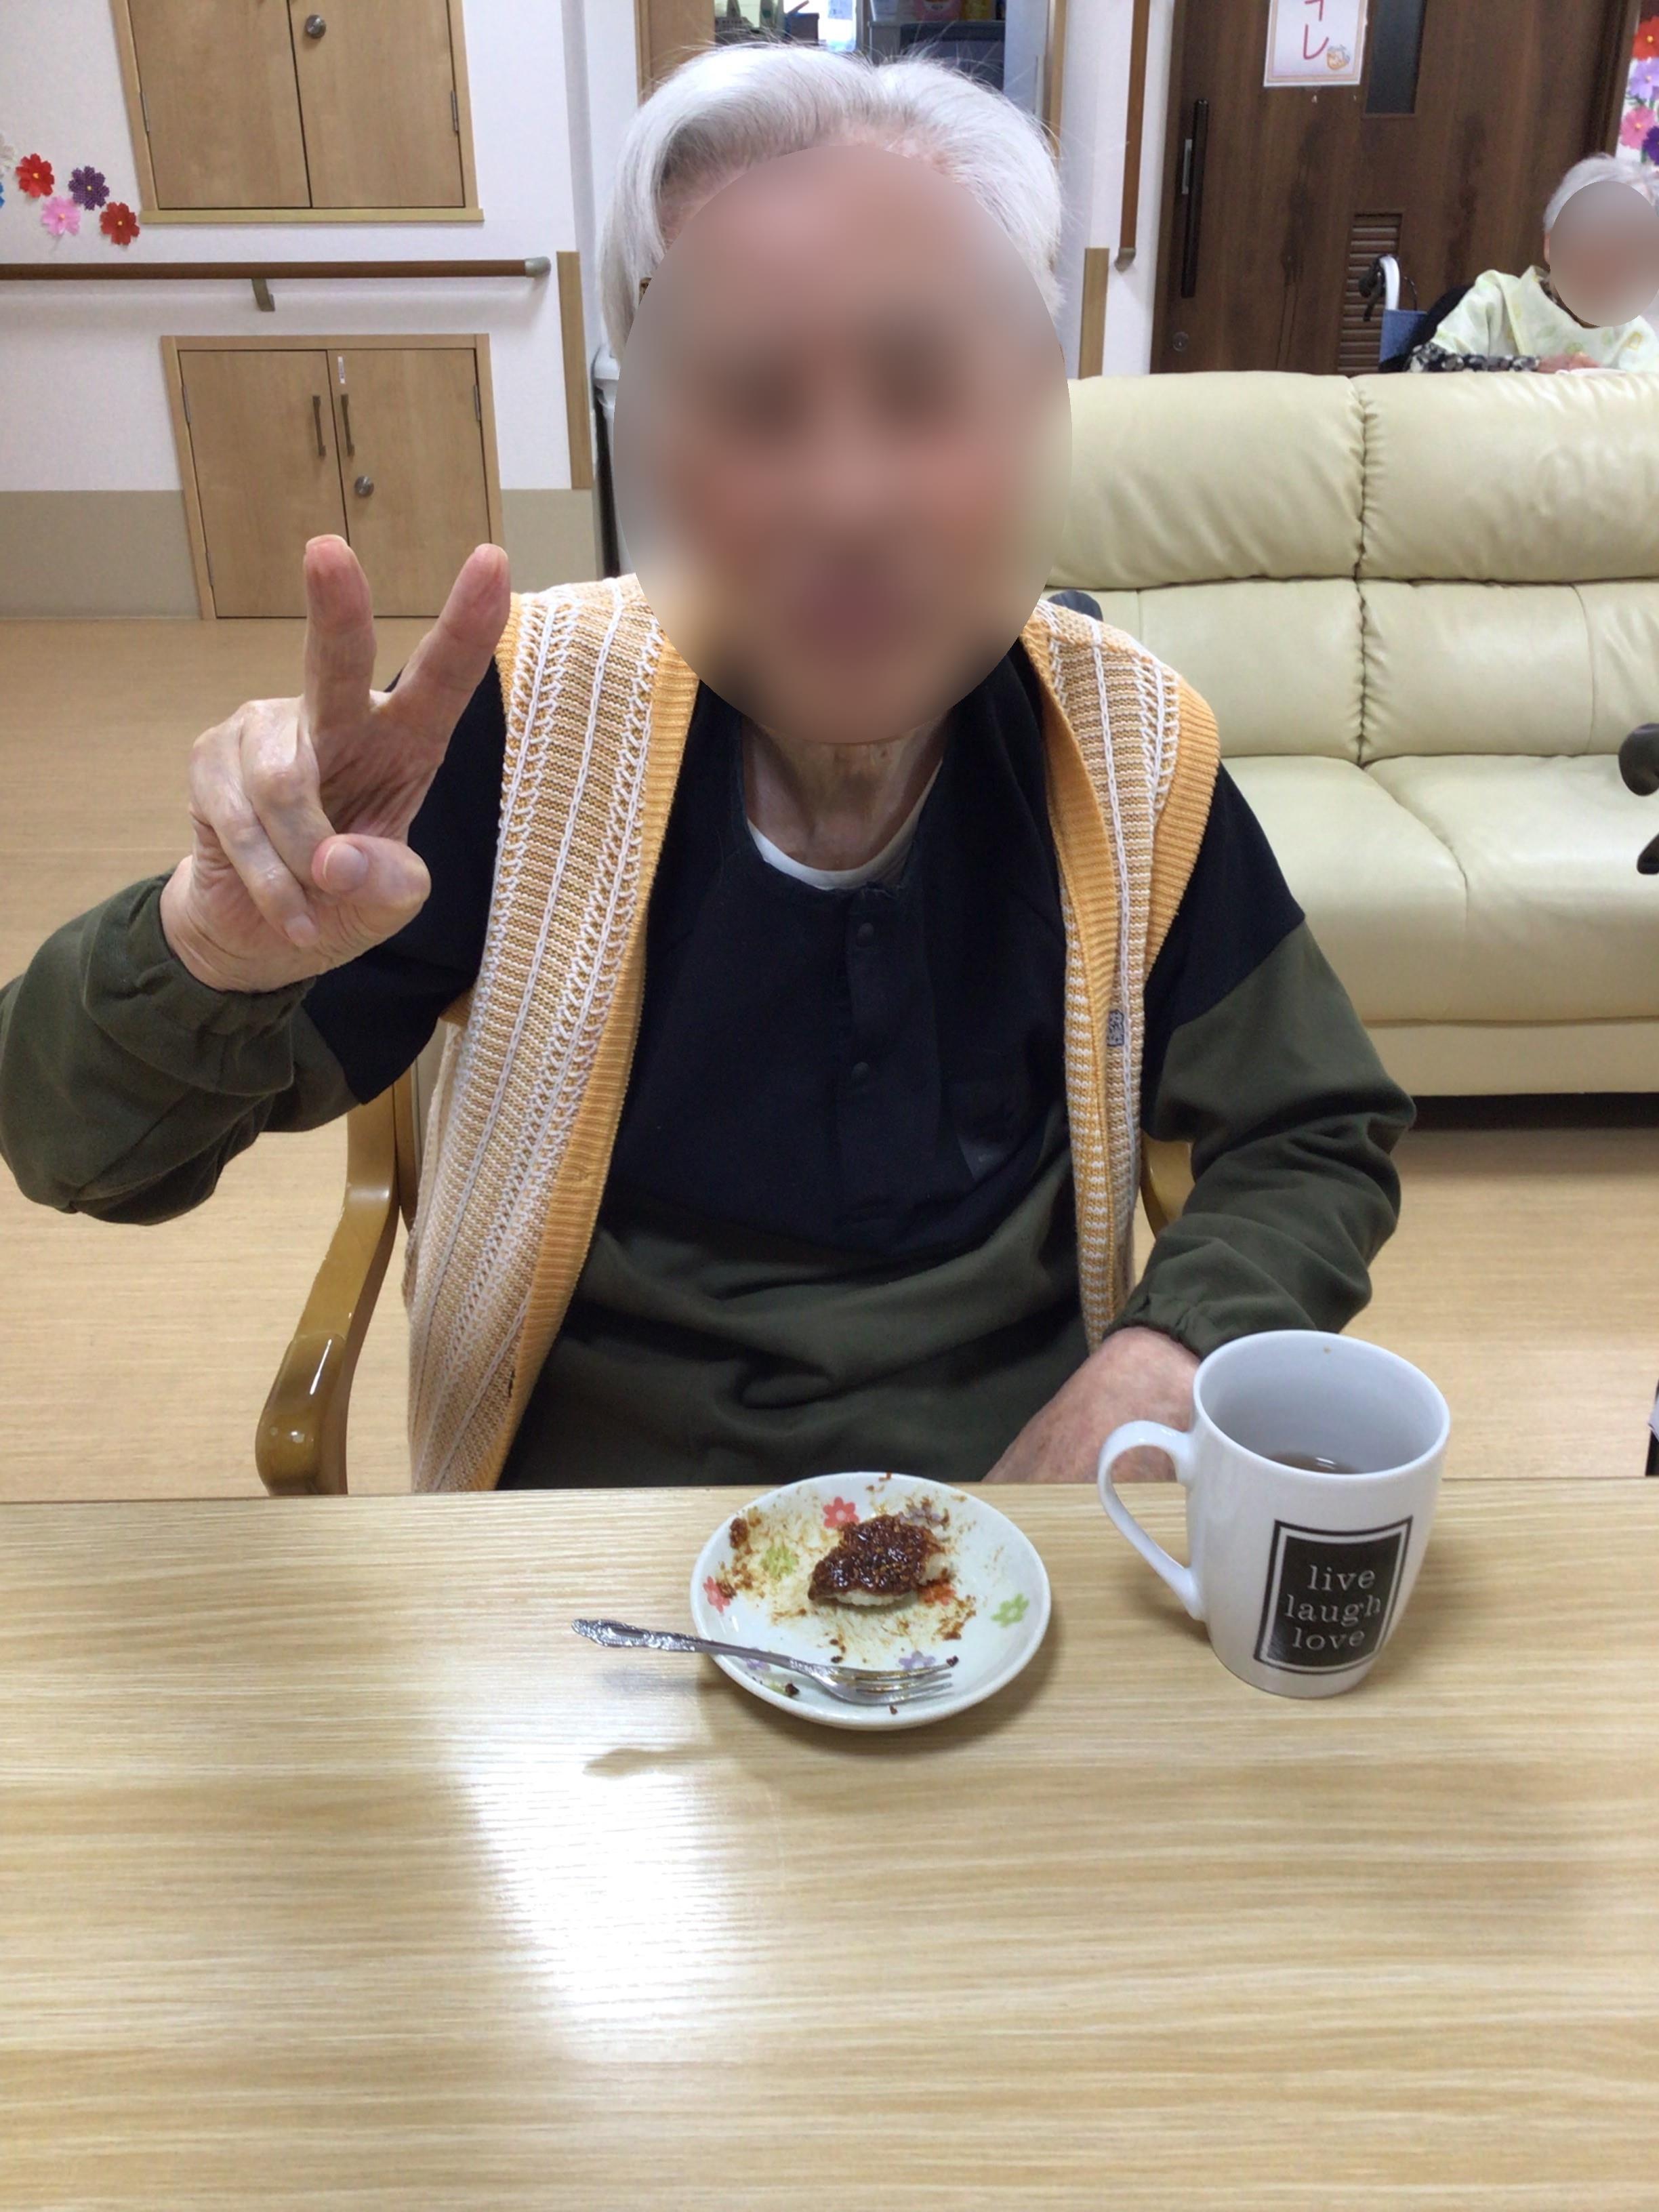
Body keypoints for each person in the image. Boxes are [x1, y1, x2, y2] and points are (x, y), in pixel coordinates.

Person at [0, 46, 1411, 1495]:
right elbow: (70, 1146)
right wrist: (205, 953)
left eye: (921, 389)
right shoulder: (525, 723)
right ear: (657, 435)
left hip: (1005, 1524)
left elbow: (1314, 1129)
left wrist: (1165, 1359)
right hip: (591, 1538)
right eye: (749, 400)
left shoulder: (1125, 744)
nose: (847, 498)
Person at [1410, 152, 1659, 373]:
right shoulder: (1494, 304)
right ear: (1551, 245)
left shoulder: (1638, 341)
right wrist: (1532, 368)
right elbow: (1421, 368)